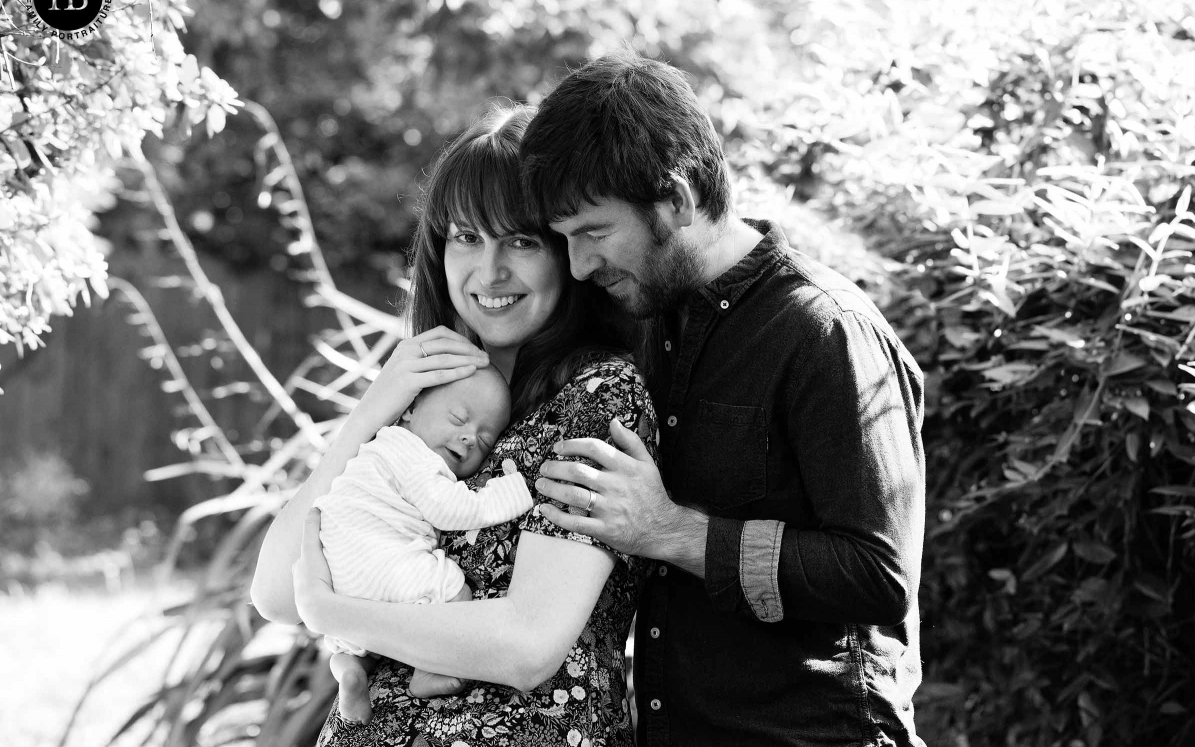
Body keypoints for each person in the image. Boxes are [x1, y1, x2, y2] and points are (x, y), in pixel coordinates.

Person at [520, 52, 927, 746]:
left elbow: (877, 573)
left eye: (593, 232)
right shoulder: (644, 321)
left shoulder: (826, 330)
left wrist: (671, 531)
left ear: (676, 200)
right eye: (565, 240)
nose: (581, 265)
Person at [249, 104, 658, 747]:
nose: (489, 271)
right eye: (466, 236)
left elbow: (527, 645)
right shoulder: (425, 393)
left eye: (521, 241)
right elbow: (275, 590)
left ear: (570, 253)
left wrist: (332, 612)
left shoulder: (597, 398)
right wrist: (372, 411)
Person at [314, 365, 531, 722]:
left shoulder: (377, 448)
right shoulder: (412, 454)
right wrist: (511, 493)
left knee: (351, 646)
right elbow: (452, 510)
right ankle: (428, 670)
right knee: (453, 592)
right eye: (458, 418)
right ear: (410, 409)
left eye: (484, 440)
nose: (469, 438)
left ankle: (349, 671)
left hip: (342, 573)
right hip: (380, 560)